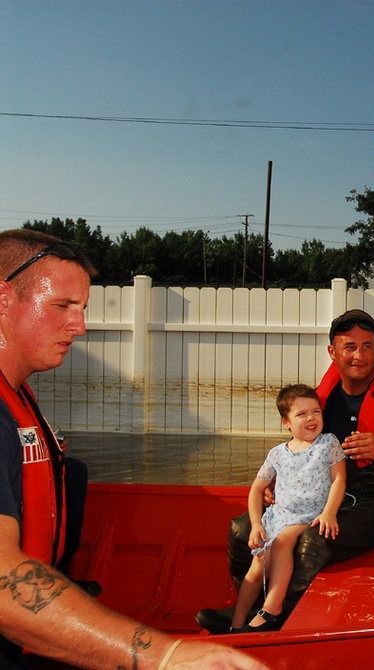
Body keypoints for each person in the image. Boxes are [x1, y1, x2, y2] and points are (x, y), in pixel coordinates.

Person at [0, 229, 266, 669]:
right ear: (4, 298)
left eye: (82, 309)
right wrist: (165, 656)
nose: (80, 326)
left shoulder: (19, 399)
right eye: (63, 306)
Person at [199, 308, 374, 632]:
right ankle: (246, 610)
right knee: (242, 529)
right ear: (332, 352)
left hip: (370, 502)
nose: (360, 355)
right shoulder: (322, 399)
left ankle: (277, 620)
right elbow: (298, 450)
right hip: (317, 493)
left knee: (314, 538)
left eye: (367, 346)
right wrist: (276, 481)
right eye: (350, 347)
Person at [230, 384, 347, 632]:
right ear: (286, 422)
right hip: (279, 515)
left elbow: (339, 479)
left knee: (283, 541)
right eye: (301, 414)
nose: (310, 418)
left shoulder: (328, 443)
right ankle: (236, 626)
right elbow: (256, 490)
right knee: (258, 564)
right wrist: (256, 524)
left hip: (309, 514)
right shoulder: (277, 454)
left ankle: (273, 607)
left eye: (315, 411)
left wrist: (330, 512)